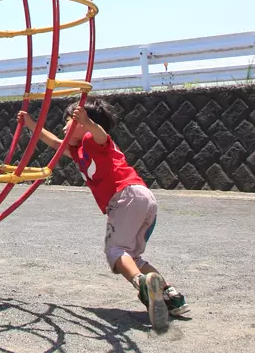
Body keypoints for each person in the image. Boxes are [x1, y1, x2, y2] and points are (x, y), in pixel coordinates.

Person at [17, 97, 188, 331]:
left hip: (124, 197)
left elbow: (100, 134)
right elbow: (55, 143)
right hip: (142, 197)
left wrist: (86, 123)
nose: (64, 127)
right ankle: (171, 296)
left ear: (82, 122)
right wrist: (31, 124)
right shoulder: (77, 150)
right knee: (132, 258)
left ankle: (143, 286)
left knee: (115, 251)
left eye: (68, 121)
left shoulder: (92, 138)